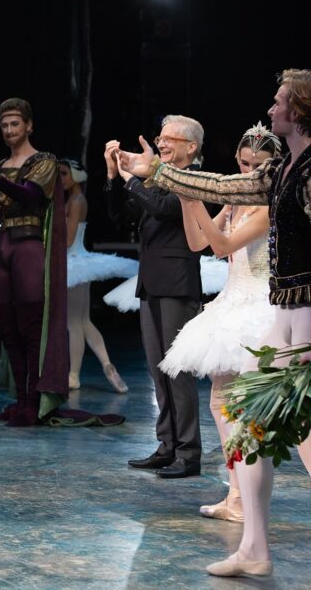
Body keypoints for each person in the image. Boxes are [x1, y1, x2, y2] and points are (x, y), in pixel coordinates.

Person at [116, 69, 311, 577]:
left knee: (305, 430)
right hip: (282, 315)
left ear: (301, 110)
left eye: (278, 103)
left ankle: (254, 542)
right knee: (245, 424)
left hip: (303, 311)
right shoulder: (281, 173)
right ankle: (254, 546)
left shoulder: (309, 172)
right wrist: (157, 172)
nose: (271, 110)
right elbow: (218, 188)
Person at [0, 99, 122, 427]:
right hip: (0, 247)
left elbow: (30, 196)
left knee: (30, 326)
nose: (9, 131)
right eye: (5, 125)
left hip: (27, 246)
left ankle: (36, 401)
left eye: (15, 124)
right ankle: (22, 400)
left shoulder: (45, 161)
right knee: (5, 326)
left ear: (29, 126)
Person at [156, 123, 280, 525]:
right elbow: (198, 244)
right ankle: (236, 494)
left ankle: (247, 498)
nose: (248, 172)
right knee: (220, 404)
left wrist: (194, 195)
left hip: (259, 308)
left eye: (256, 166)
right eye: (243, 163)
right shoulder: (237, 200)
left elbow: (223, 245)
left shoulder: (265, 204)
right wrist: (190, 198)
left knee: (247, 413)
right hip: (231, 301)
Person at [104, 115, 204, 478]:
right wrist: (116, 178)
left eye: (169, 139)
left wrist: (134, 178)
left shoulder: (192, 179)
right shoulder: (157, 180)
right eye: (160, 138)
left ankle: (189, 453)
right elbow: (121, 214)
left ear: (190, 146)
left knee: (178, 371)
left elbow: (164, 209)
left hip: (177, 283)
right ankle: (167, 445)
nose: (161, 144)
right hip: (151, 282)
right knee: (157, 369)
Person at [59, 159, 134, 393]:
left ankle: (73, 375)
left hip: (73, 262)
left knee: (74, 323)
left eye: (63, 174)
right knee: (83, 321)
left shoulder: (76, 201)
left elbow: (69, 239)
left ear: (76, 176)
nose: (59, 179)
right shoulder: (74, 200)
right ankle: (106, 364)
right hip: (78, 262)